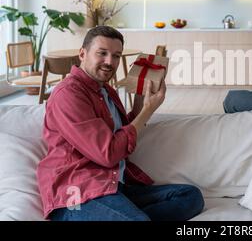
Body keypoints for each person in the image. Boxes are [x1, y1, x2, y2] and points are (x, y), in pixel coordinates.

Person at [37, 26, 204, 221]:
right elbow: (107, 154)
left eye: (116, 56)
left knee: (190, 197)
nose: (110, 62)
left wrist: (141, 105)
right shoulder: (69, 94)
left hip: (114, 186)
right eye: (102, 53)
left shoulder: (106, 91)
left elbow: (121, 136)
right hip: (77, 193)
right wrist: (148, 112)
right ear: (82, 54)